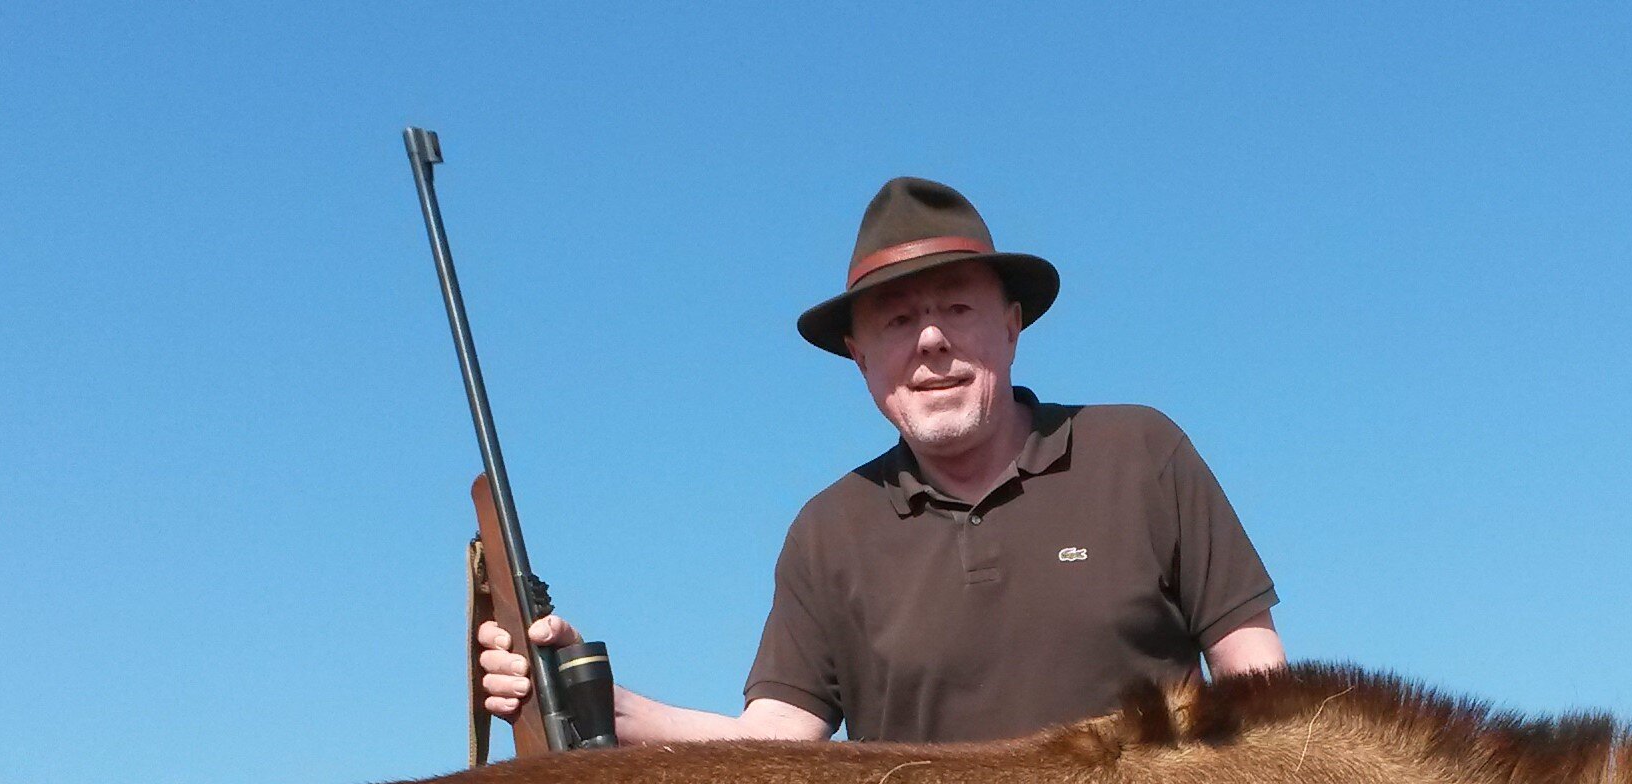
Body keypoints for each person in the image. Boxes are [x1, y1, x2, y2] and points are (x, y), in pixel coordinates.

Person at [480, 176, 1287, 745]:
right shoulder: (828, 533)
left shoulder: (1140, 451)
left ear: (1011, 327)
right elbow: (776, 744)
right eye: (898, 321)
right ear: (860, 359)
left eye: (957, 309)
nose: (931, 340)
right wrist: (591, 699)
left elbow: (1257, 679)